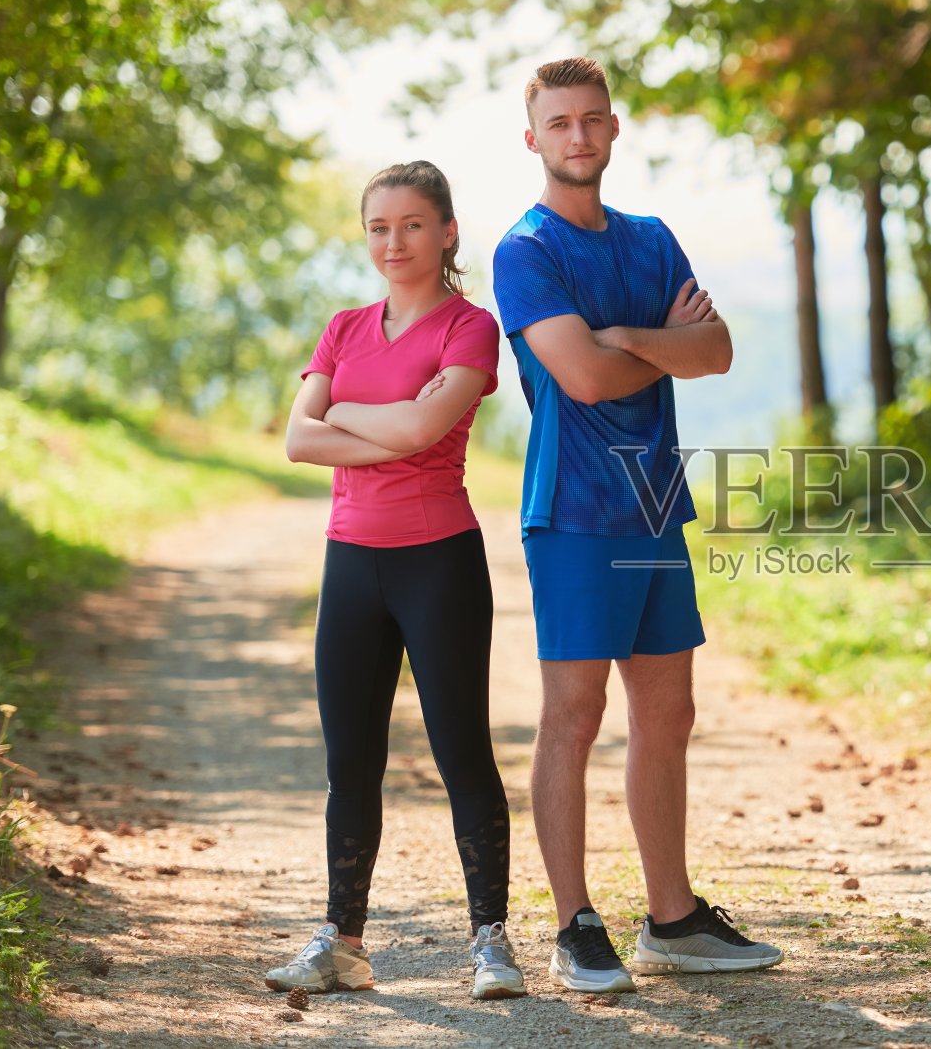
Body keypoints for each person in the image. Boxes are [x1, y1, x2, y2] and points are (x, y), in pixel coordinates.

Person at [491, 57, 782, 994]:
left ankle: (672, 918)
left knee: (671, 712)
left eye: (592, 120)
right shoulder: (524, 251)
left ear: (614, 129)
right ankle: (575, 925)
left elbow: (721, 348)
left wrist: (629, 339)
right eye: (559, 123)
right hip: (573, 513)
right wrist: (663, 347)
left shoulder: (653, 239)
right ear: (532, 139)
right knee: (574, 716)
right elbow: (582, 377)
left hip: (656, 508)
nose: (578, 136)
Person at [268, 161, 524, 1001]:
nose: (394, 241)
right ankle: (343, 942)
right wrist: (384, 428)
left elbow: (422, 425)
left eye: (412, 224)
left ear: (447, 231)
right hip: (352, 565)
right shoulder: (342, 327)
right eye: (379, 226)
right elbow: (298, 442)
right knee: (351, 765)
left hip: (438, 560)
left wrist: (341, 412)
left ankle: (491, 940)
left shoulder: (469, 328)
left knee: (463, 755)